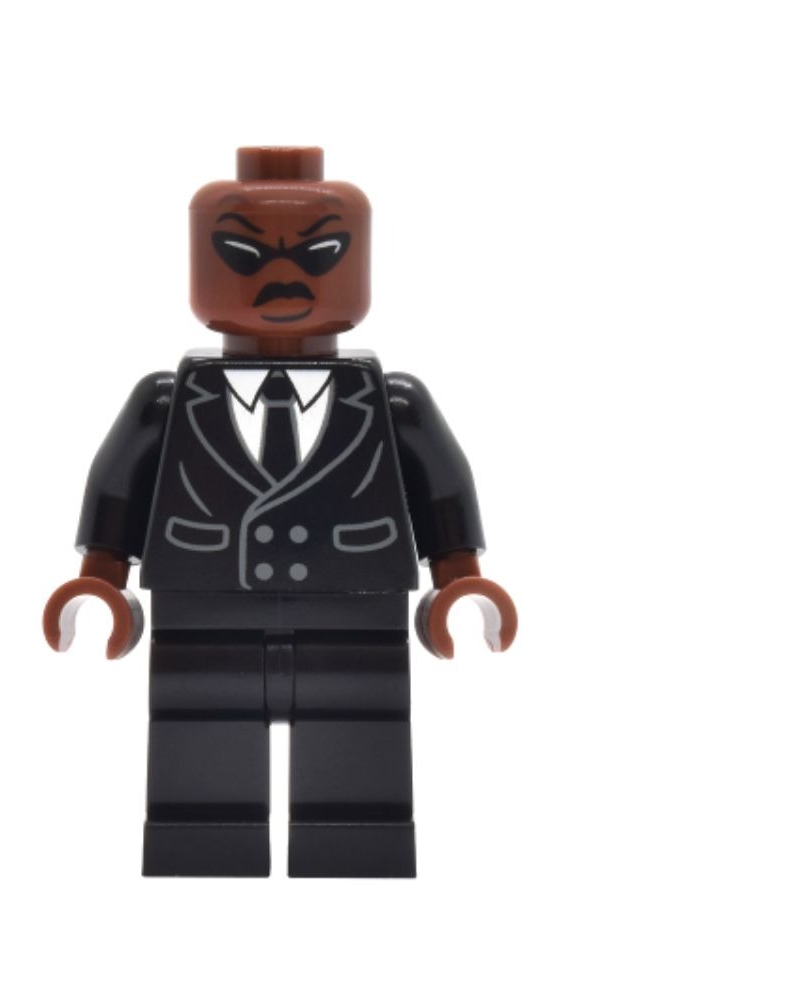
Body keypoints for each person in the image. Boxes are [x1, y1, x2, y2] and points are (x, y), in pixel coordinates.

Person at [43, 147, 517, 878]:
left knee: (358, 731)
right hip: (201, 604)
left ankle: (355, 845)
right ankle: (204, 846)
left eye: (321, 255)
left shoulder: (392, 399)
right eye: (244, 255)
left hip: (356, 605)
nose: (283, 279)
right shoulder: (168, 399)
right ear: (205, 261)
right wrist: (100, 580)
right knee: (200, 733)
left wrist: (460, 580)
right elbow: (118, 488)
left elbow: (442, 488)